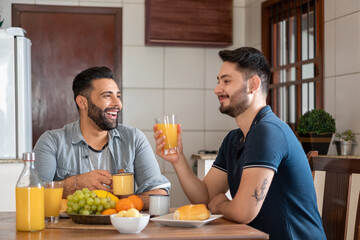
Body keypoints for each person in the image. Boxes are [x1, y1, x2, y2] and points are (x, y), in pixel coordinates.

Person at [153, 47, 326, 239]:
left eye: (226, 81)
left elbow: (243, 212)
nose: (217, 89)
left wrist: (220, 205)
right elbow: (205, 197)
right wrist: (178, 160)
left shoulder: (267, 131)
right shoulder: (235, 139)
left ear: (253, 84)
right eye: (218, 81)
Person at [34, 66, 170, 209]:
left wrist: (123, 204)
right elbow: (33, 194)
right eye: (107, 96)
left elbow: (160, 193)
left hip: (121, 229)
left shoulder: (134, 138)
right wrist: (76, 183)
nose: (118, 104)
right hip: (68, 230)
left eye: (118, 96)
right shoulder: (51, 141)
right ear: (83, 103)